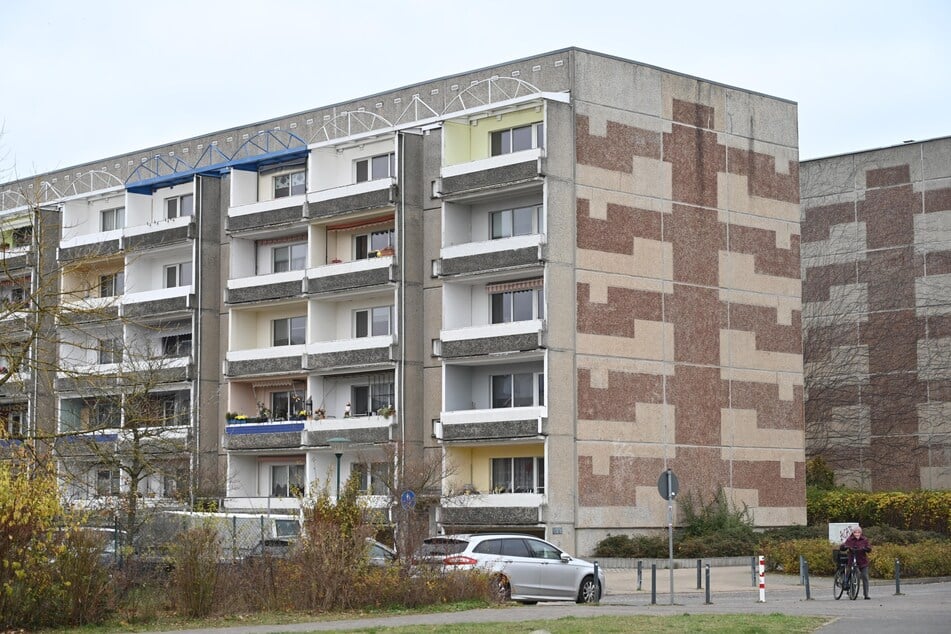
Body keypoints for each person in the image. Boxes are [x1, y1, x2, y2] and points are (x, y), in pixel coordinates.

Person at [840, 526, 872, 599]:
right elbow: (843, 546)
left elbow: (869, 548)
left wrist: (866, 548)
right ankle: (852, 592)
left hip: (862, 561)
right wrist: (844, 547)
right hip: (852, 560)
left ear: (861, 533)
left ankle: (866, 594)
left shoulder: (864, 539)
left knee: (865, 577)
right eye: (855, 532)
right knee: (852, 575)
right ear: (853, 533)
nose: (857, 533)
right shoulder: (850, 539)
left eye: (858, 532)